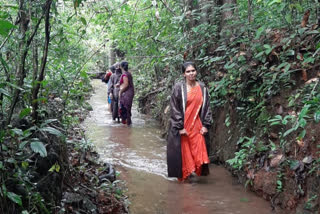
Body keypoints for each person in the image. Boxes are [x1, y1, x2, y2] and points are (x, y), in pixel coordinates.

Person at [167, 61, 212, 181]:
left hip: (197, 125)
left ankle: (194, 176)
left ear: (196, 72)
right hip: (183, 126)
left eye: (193, 71)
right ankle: (186, 184)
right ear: (183, 74)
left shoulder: (202, 87)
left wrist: (206, 125)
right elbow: (174, 108)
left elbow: (207, 107)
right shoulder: (178, 88)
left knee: (199, 150)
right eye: (188, 71)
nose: (191, 73)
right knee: (184, 154)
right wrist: (179, 127)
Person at [119, 61, 135, 126]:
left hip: (127, 93)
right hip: (130, 92)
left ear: (121, 67)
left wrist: (120, 92)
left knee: (124, 109)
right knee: (128, 109)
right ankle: (128, 125)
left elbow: (126, 85)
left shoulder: (125, 74)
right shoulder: (129, 73)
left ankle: (126, 126)